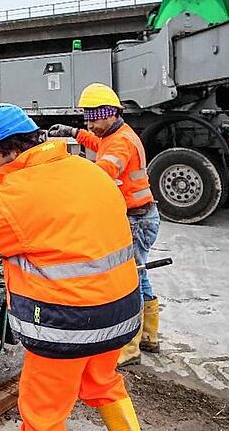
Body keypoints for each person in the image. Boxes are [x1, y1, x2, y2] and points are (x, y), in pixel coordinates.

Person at [0, 103, 142, 430]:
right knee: (103, 384)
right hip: (122, 313)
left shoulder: (18, 194)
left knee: (42, 415)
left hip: (67, 325)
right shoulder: (88, 170)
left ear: (10, 151)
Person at [48, 83, 161, 367]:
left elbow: (105, 170)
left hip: (137, 219)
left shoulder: (121, 142)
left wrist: (65, 169)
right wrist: (73, 133)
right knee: (140, 274)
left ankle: (131, 347)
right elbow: (99, 144)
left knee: (130, 280)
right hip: (141, 216)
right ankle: (150, 336)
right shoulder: (116, 134)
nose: (90, 123)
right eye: (87, 117)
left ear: (110, 114)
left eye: (94, 117)